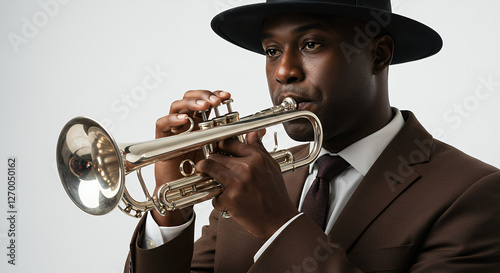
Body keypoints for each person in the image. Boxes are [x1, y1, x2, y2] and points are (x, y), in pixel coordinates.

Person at [125, 0, 500, 272]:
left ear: (379, 54)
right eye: (272, 50)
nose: (284, 71)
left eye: (311, 45)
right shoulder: (257, 179)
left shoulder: (474, 193)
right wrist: (169, 213)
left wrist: (279, 225)